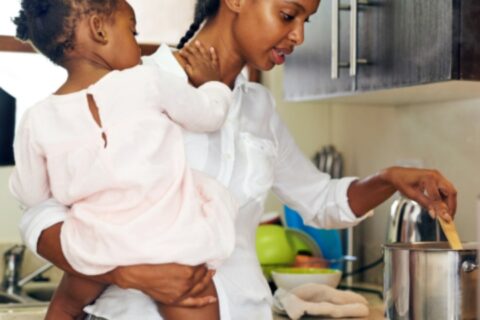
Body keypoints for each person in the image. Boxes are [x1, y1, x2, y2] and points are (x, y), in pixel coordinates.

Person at [17, 0, 457, 319]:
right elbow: (41, 213)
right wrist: (130, 273)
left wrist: (389, 178)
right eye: (288, 14)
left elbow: (320, 200)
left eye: (307, 20)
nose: (299, 35)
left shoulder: (259, 107)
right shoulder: (133, 84)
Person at [10, 0, 239, 319]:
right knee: (196, 300)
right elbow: (210, 115)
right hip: (168, 245)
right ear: (99, 30)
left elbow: (31, 195)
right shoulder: (147, 81)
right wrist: (213, 83)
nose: (138, 45)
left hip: (97, 246)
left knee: (64, 306)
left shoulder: (37, 119)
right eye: (132, 31)